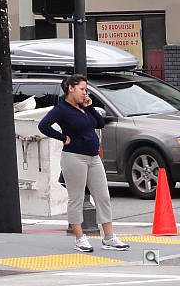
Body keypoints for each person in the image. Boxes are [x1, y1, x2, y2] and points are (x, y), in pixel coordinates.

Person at [38, 74, 130, 253]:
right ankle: (80, 238)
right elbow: (43, 125)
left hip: (94, 158)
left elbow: (100, 123)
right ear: (71, 88)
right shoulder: (61, 109)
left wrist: (90, 107)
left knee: (103, 196)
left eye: (85, 89)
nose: (84, 93)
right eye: (82, 89)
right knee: (76, 198)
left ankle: (109, 237)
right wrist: (63, 137)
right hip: (74, 157)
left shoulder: (83, 107)